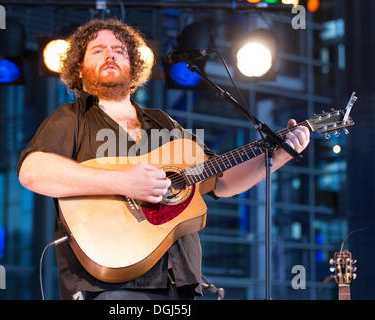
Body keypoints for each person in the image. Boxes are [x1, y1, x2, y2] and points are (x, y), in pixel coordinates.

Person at [17, 19, 310, 300]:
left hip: (177, 282)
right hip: (107, 285)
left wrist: (278, 155)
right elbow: (33, 171)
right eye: (98, 50)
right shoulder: (71, 118)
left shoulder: (163, 123)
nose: (110, 55)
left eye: (119, 51)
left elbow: (223, 181)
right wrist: (123, 182)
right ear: (79, 70)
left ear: (133, 67)